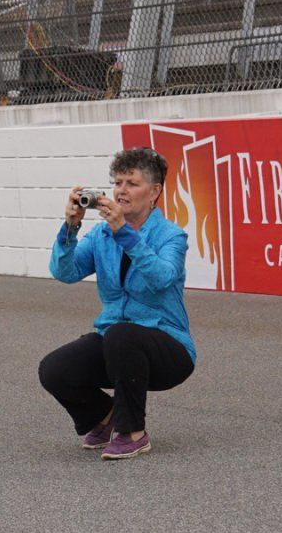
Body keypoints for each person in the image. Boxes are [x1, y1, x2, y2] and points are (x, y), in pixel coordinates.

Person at [38, 147, 196, 460]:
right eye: (118, 182)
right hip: (117, 343)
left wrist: (124, 233)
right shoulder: (101, 235)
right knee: (54, 369)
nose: (121, 191)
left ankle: (133, 431)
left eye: (131, 183)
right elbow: (64, 272)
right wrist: (70, 227)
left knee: (123, 334)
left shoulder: (171, 236)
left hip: (168, 349)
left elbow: (162, 278)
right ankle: (105, 416)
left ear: (154, 192)